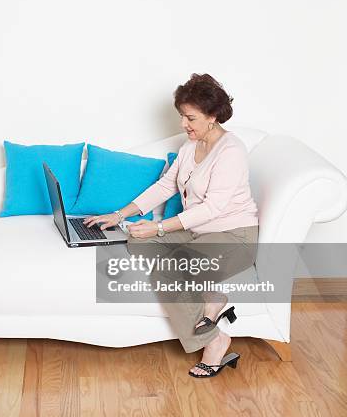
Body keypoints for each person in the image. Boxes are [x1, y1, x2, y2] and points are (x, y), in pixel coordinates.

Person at [84, 73, 259, 378]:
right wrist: (120, 215)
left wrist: (160, 227)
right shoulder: (190, 146)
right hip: (197, 231)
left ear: (213, 116)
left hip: (233, 237)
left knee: (166, 269)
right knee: (136, 240)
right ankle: (211, 297)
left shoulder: (231, 151)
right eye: (182, 116)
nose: (183, 124)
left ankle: (215, 341)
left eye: (190, 117)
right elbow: (166, 186)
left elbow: (213, 208)